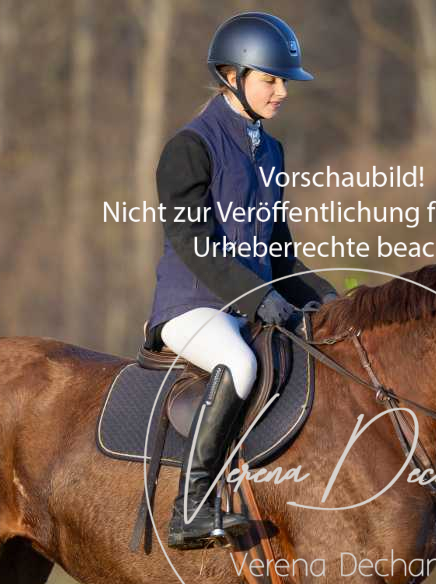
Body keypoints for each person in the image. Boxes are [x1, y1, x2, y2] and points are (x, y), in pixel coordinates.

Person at [148, 11, 337, 550]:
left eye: (284, 81)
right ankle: (190, 507)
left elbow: (280, 254)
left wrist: (332, 302)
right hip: (192, 307)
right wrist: (259, 298)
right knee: (240, 363)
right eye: (271, 80)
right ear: (233, 76)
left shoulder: (271, 151)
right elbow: (195, 245)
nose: (282, 92)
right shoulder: (190, 147)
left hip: (248, 306)